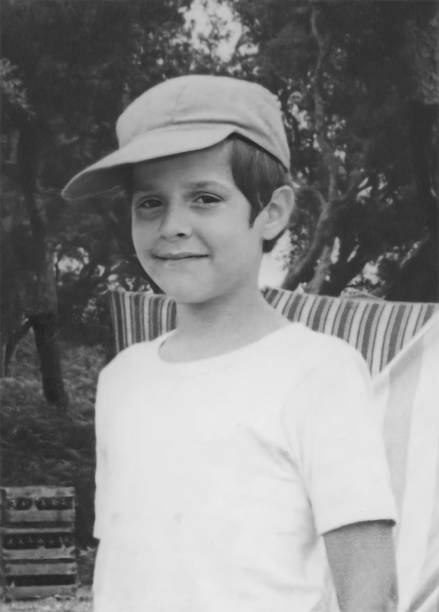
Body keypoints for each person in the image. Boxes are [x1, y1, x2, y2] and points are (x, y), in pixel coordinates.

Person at [63, 75, 398, 612]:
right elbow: (125, 560)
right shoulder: (121, 378)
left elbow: (368, 585)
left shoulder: (320, 372)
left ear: (272, 212)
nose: (173, 225)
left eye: (205, 198)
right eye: (150, 203)